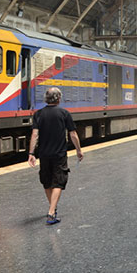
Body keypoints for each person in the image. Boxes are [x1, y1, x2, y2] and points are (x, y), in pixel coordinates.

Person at [28, 87, 83, 225]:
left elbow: (35, 135)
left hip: (44, 154)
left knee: (47, 181)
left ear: (46, 99)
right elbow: (73, 134)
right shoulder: (64, 113)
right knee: (59, 181)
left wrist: (31, 153)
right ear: (59, 98)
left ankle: (53, 207)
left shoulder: (38, 114)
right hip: (59, 154)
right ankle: (51, 213)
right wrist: (78, 150)